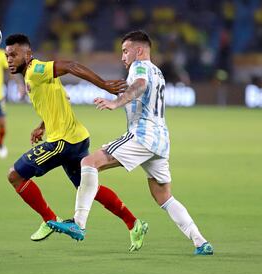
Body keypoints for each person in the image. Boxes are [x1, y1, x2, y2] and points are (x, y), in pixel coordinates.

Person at [47, 30, 214, 256]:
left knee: (89, 162)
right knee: (163, 195)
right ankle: (200, 241)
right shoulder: (159, 72)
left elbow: (140, 85)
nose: (123, 57)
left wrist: (116, 103)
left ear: (139, 50)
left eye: (125, 51)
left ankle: (78, 222)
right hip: (161, 140)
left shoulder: (140, 66)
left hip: (142, 134)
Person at [5, 33, 147, 251]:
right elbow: (59, 99)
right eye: (7, 56)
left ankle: (48, 219)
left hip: (62, 142)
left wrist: (104, 85)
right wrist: (42, 126)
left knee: (15, 175)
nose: (10, 60)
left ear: (28, 54)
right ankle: (133, 223)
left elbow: (71, 65)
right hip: (77, 137)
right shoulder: (35, 76)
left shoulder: (36, 70)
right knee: (89, 188)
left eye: (14, 54)